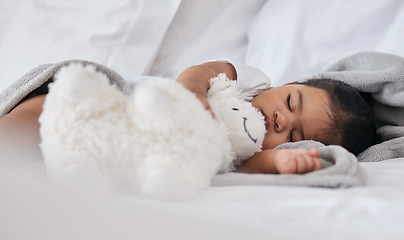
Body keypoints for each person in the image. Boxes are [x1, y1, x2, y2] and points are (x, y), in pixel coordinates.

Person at [0, 61, 378, 174]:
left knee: (57, 162)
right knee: (48, 114)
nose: (280, 120)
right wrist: (193, 93)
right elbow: (204, 71)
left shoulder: (241, 148)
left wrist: (280, 161)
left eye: (293, 134)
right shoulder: (249, 84)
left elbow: (246, 169)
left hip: (131, 150)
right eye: (291, 101)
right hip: (122, 100)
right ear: (289, 83)